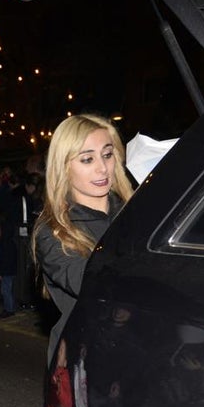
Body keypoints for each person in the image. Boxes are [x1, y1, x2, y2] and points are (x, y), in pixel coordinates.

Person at [32, 113, 134, 360]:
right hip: (87, 355)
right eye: (87, 159)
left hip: (141, 346)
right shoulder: (54, 230)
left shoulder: (136, 210)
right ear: (63, 166)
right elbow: (89, 282)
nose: (102, 167)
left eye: (107, 154)